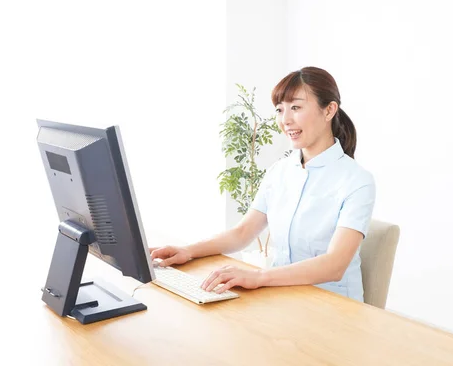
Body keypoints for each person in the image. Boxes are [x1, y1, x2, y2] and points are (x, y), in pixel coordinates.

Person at [150, 66, 376, 302]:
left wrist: (258, 276)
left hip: (335, 307)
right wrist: (188, 251)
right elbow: (243, 232)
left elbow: (334, 265)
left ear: (329, 110)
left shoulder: (357, 181)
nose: (285, 120)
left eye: (296, 107)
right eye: (280, 110)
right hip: (282, 297)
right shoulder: (280, 170)